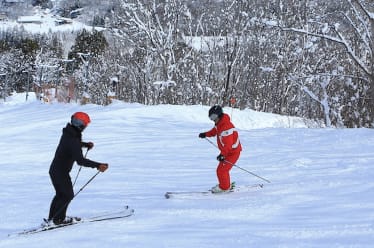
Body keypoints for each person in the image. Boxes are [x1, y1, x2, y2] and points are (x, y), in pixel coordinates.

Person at [48, 112, 108, 225]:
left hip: (56, 170)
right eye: (85, 125)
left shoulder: (69, 133)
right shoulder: (73, 138)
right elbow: (80, 161)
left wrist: (85, 144)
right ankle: (58, 220)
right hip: (60, 172)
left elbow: (73, 144)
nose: (85, 127)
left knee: (61, 194)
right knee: (67, 195)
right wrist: (98, 165)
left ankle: (53, 218)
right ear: (81, 125)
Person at [199, 105, 242, 193]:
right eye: (211, 117)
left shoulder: (226, 127)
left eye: (214, 117)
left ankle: (225, 188)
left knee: (222, 170)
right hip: (228, 152)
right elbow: (214, 131)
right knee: (221, 170)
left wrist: (222, 155)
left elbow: (228, 145)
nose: (213, 119)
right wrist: (205, 134)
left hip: (233, 153)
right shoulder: (220, 124)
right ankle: (225, 185)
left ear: (219, 115)